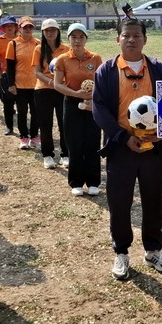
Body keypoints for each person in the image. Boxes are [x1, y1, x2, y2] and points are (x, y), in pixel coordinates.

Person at [92, 18, 162, 281]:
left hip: (153, 148)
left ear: (145, 40)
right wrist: (122, 138)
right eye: (126, 35)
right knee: (119, 202)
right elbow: (99, 109)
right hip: (121, 148)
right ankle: (121, 252)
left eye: (136, 35)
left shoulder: (158, 68)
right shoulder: (106, 71)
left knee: (153, 200)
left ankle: (153, 250)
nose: (131, 40)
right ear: (117, 39)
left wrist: (161, 134)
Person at [53, 23, 104, 196]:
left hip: (92, 103)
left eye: (81, 37)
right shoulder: (62, 59)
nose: (77, 41)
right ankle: (76, 182)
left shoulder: (95, 58)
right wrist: (75, 93)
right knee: (74, 143)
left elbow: (101, 82)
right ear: (68, 39)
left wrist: (92, 98)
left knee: (92, 141)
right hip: (71, 102)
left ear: (86, 39)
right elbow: (57, 84)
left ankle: (93, 182)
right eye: (73, 37)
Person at [32, 19, 69, 169]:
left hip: (62, 90)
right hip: (43, 90)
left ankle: (65, 154)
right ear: (43, 32)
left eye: (53, 30)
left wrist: (60, 85)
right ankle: (47, 155)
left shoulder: (66, 49)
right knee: (45, 124)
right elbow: (37, 72)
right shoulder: (38, 49)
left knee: (64, 123)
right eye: (47, 30)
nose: (50, 33)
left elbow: (69, 69)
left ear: (58, 31)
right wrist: (51, 82)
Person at [6, 16, 42, 150]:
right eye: (25, 27)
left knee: (36, 112)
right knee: (22, 112)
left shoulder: (38, 43)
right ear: (19, 28)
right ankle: (24, 137)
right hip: (20, 84)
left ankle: (34, 136)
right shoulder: (13, 44)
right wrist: (11, 84)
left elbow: (42, 64)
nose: (28, 29)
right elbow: (9, 66)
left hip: (36, 84)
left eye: (30, 27)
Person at [0, 16, 19, 136]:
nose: (9, 28)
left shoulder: (21, 39)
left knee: (21, 103)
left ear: (15, 27)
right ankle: (9, 127)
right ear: (3, 27)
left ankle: (23, 128)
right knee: (7, 102)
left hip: (20, 74)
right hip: (5, 74)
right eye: (7, 26)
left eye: (11, 25)